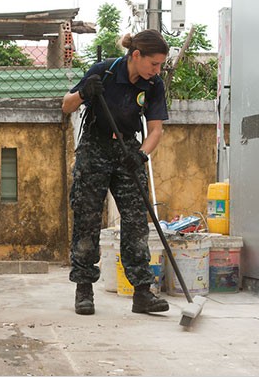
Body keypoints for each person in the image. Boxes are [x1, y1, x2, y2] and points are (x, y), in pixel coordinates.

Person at [62, 29, 170, 315]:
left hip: (127, 151)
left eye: (160, 65)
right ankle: (84, 289)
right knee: (87, 218)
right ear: (136, 55)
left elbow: (156, 128)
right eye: (154, 64)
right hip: (94, 147)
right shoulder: (105, 71)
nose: (157, 70)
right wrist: (86, 91)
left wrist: (141, 155)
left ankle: (142, 293)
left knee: (136, 221)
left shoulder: (153, 85)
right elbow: (66, 104)